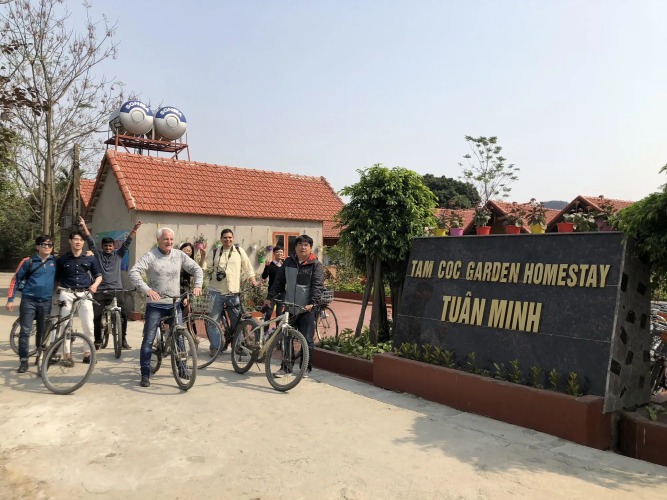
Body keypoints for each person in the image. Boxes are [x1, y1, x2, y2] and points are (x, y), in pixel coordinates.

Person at [129, 227, 203, 388]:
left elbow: (196, 269)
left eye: (171, 239)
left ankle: (182, 369)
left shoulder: (179, 255)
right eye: (165, 239)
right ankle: (145, 374)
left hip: (174, 304)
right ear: (158, 240)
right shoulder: (150, 256)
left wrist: (198, 285)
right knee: (148, 339)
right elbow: (133, 272)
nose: (169, 242)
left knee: (180, 336)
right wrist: (147, 290)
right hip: (155, 305)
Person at [265, 234, 324, 377]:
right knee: (286, 337)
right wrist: (270, 297)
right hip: (290, 307)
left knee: (306, 340)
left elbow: (318, 286)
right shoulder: (288, 262)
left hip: (306, 309)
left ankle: (305, 368)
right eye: (300, 244)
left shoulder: (315, 264)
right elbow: (279, 281)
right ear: (295, 247)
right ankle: (286, 367)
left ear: (310, 248)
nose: (303, 247)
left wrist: (312, 303)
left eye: (306, 245)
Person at [79, 216, 142, 351]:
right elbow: (90, 241)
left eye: (110, 246)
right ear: (102, 247)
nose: (108, 248)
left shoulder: (118, 255)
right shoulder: (98, 255)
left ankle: (123, 340)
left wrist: (135, 229)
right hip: (100, 290)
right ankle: (98, 340)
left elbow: (127, 243)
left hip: (116, 290)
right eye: (106, 246)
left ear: (114, 247)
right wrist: (84, 226)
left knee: (123, 315)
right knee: (96, 316)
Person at [6, 235, 57, 373]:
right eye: (44, 244)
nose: (47, 247)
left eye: (50, 245)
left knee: (43, 332)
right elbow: (15, 280)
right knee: (25, 331)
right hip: (29, 300)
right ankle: (23, 361)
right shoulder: (28, 261)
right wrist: (10, 299)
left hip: (46, 301)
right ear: (38, 246)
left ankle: (40, 357)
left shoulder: (54, 262)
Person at [201, 228, 257, 353]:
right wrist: (203, 255)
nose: (228, 239)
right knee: (213, 321)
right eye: (225, 237)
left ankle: (237, 346)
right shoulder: (215, 252)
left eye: (230, 237)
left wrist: (253, 281)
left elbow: (247, 267)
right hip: (216, 291)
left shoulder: (239, 251)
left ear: (233, 238)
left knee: (237, 321)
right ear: (221, 239)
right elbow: (204, 267)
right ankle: (215, 347)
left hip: (233, 292)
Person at [56, 230, 104, 364]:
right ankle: (67, 355)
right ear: (70, 241)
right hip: (67, 293)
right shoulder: (63, 259)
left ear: (83, 243)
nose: (78, 242)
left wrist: (95, 285)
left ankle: (88, 354)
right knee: (65, 325)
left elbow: (99, 275)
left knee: (88, 324)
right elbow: (56, 277)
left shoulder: (90, 258)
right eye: (76, 239)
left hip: (84, 294)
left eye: (81, 240)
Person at [261, 245, 284, 323]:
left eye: (281, 252)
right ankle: (265, 329)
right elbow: (264, 276)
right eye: (277, 252)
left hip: (282, 292)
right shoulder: (270, 265)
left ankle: (278, 329)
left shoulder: (284, 265)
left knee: (279, 313)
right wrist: (266, 267)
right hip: (272, 292)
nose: (279, 254)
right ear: (274, 253)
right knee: (269, 312)